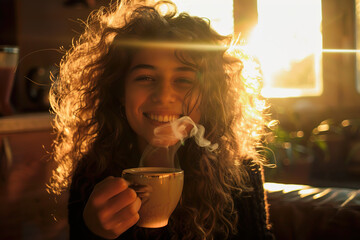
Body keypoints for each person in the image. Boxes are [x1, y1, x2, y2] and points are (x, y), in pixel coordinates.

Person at [48, 1, 275, 239]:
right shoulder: (93, 172)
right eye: (146, 77)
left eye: (184, 80)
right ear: (119, 91)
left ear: (210, 97)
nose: (164, 96)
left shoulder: (239, 171)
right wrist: (93, 231)